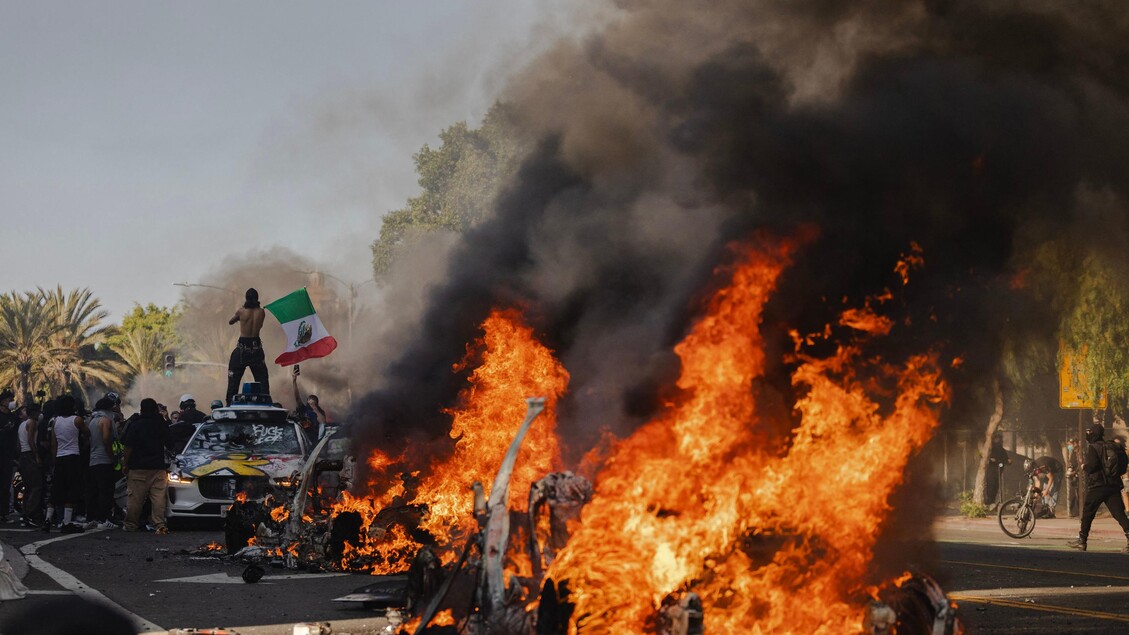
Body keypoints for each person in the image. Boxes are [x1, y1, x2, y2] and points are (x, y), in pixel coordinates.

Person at [1067, 423, 1129, 551]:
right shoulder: (1111, 446)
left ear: (1094, 434)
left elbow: (1092, 466)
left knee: (1087, 513)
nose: (1088, 435)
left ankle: (1082, 541)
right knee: (1119, 514)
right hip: (1113, 485)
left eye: (1090, 432)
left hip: (1098, 486)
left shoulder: (1094, 447)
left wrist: (1083, 466)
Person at [121, 398, 171, 534]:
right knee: (159, 498)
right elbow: (170, 442)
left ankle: (131, 525)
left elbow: (128, 446)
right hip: (158, 467)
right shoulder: (160, 424)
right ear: (155, 410)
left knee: (135, 499)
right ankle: (160, 525)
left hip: (138, 467)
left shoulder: (135, 424)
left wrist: (125, 464)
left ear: (141, 410)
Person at [46, 395, 88, 532]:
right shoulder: (77, 420)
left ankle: (48, 519)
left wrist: (54, 461)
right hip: (73, 456)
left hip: (59, 457)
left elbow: (54, 444)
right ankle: (67, 521)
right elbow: (87, 433)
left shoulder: (55, 421)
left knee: (56, 489)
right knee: (71, 489)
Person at [226, 288, 269, 405]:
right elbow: (260, 325)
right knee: (263, 380)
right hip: (256, 349)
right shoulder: (262, 312)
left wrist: (239, 317)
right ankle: (265, 403)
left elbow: (230, 322)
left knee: (233, 382)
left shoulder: (241, 312)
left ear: (246, 298)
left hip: (242, 349)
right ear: (257, 298)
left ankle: (229, 404)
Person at [85, 398, 118, 529]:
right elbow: (106, 440)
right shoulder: (106, 420)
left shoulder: (92, 421)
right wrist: (111, 457)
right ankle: (104, 519)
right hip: (104, 460)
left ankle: (92, 518)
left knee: (94, 491)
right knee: (106, 491)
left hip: (93, 460)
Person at [17, 403, 44, 527]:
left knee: (28, 486)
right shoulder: (32, 422)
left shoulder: (22, 424)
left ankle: (25, 514)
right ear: (34, 412)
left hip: (23, 456)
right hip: (29, 455)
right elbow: (31, 440)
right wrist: (36, 455)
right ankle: (30, 514)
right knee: (36, 486)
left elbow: (19, 443)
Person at [0, 393, 19, 522]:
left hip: (8, 456)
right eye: (9, 400)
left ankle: (4, 512)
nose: (11, 402)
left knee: (5, 485)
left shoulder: (13, 417)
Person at [985, 431, 1011, 508]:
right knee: (991, 486)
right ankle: (989, 502)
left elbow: (1006, 460)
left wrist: (1008, 461)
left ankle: (993, 502)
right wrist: (991, 460)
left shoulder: (1002, 450)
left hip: (999, 471)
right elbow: (986, 459)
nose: (999, 440)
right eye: (997, 438)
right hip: (991, 471)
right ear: (994, 439)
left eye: (1000, 439)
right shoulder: (990, 449)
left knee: (996, 486)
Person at [1066, 437, 1081, 517]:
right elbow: (1071, 464)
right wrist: (1069, 471)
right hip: (1073, 477)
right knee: (1072, 495)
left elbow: (1080, 465)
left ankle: (1080, 511)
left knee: (1079, 494)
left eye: (1071, 444)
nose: (1069, 446)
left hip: (1079, 477)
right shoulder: (1072, 453)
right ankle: (1073, 512)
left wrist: (1074, 472)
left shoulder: (1080, 453)